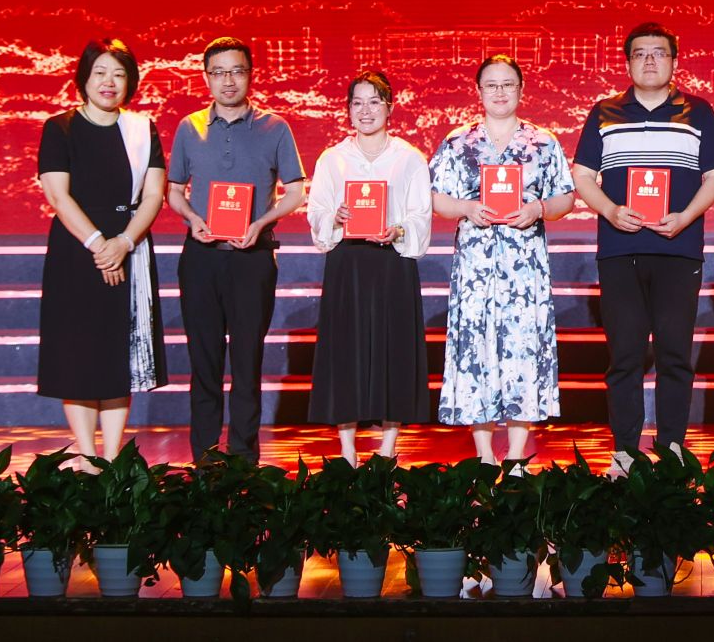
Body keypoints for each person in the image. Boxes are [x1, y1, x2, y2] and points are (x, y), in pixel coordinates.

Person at [570, 22, 714, 465]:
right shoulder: (604, 112)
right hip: (620, 251)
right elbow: (583, 175)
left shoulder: (698, 112)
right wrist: (610, 211)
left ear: (674, 62)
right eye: (640, 53)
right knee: (624, 356)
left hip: (678, 249)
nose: (650, 61)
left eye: (659, 53)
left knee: (675, 354)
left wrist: (685, 217)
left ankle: (672, 450)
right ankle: (624, 453)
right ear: (628, 63)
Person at [165, 37, 308, 462]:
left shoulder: (274, 127)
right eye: (219, 72)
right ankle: (206, 461)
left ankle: (244, 461)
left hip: (253, 258)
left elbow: (295, 190)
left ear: (250, 74)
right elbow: (173, 190)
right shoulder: (190, 127)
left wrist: (261, 222)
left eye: (237, 71)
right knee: (204, 363)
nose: (228, 80)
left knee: (247, 363)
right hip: (201, 258)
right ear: (206, 77)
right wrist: (193, 219)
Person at [428, 55, 577, 463]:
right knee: (475, 349)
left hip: (524, 267)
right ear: (478, 91)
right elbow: (435, 197)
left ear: (521, 90)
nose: (499, 92)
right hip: (475, 267)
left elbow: (565, 196)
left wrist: (538, 209)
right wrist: (466, 208)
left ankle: (515, 455)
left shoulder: (542, 142)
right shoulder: (459, 142)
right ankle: (483, 454)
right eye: (491, 85)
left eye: (507, 84)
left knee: (521, 349)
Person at [35, 38, 167, 464]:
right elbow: (58, 195)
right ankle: (87, 456)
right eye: (100, 73)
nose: (109, 82)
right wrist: (98, 245)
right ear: (84, 79)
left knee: (116, 354)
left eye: (119, 74)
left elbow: (154, 195)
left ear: (130, 82)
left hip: (129, 245)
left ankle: (110, 459)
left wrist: (123, 243)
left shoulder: (142, 129)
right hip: (77, 250)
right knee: (78, 353)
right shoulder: (60, 128)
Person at [306, 70, 433, 462]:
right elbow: (317, 213)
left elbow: (421, 215)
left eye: (374, 102)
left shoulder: (409, 158)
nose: (366, 110)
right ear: (347, 109)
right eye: (357, 103)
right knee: (345, 351)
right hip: (347, 266)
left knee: (394, 351)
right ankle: (348, 450)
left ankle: (388, 448)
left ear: (389, 107)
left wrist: (398, 229)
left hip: (392, 264)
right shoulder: (333, 159)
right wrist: (335, 216)